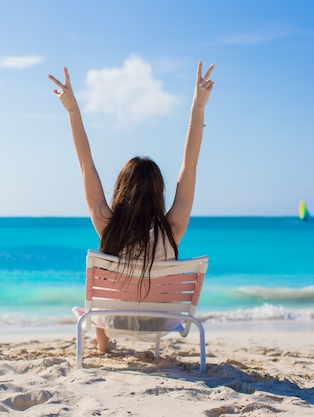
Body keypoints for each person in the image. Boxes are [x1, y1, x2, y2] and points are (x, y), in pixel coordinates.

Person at [48, 61, 215, 353]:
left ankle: (102, 345)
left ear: (122, 189)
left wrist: (73, 112)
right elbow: (190, 165)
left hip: (111, 319)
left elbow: (85, 165)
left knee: (95, 298)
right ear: (159, 191)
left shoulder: (107, 225)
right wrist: (198, 107)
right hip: (162, 321)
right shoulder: (172, 228)